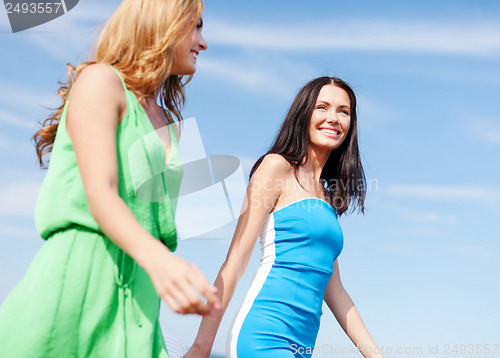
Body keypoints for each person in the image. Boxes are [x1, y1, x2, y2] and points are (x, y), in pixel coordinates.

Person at [0, 0, 220, 357]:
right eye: (196, 25)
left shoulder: (170, 125)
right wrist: (161, 262)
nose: (203, 41)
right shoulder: (101, 81)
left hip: (141, 302)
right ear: (162, 23)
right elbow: (100, 193)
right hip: (79, 284)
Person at [184, 77, 384, 358]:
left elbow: (336, 291)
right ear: (304, 113)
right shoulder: (276, 167)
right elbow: (236, 259)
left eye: (344, 111)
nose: (333, 118)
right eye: (322, 107)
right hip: (262, 335)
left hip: (302, 346)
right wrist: (201, 345)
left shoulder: (325, 198)